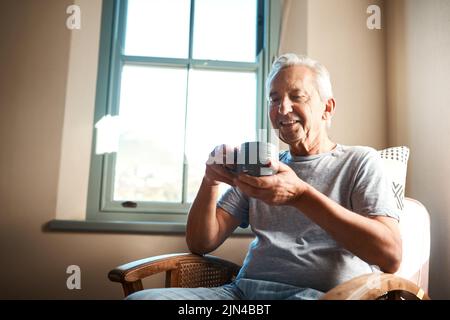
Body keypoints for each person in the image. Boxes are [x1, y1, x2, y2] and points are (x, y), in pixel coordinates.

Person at [127, 53, 402, 300]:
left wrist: (302, 196)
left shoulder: (359, 161)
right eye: (274, 99)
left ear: (327, 108)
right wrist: (210, 180)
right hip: (242, 293)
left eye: (297, 96)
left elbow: (390, 256)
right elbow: (201, 242)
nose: (282, 109)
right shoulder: (263, 167)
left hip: (321, 296)